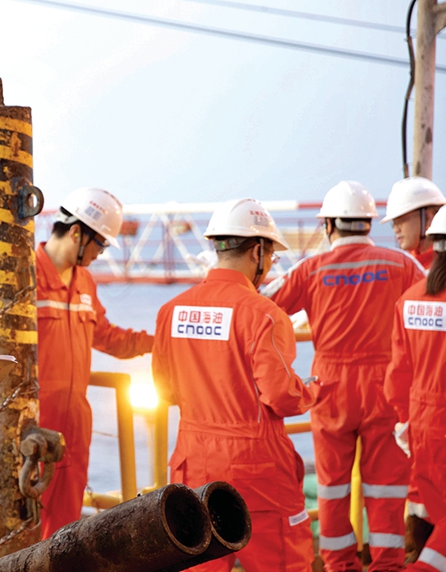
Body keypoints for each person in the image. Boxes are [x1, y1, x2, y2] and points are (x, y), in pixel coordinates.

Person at [264, 181, 422, 571]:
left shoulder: (312, 268)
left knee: (332, 487)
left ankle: (339, 564)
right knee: (386, 486)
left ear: (329, 225)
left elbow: (260, 305)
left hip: (330, 387)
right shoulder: (400, 264)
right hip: (386, 386)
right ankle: (387, 564)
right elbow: (433, 297)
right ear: (368, 223)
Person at [152, 198, 317, 571]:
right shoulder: (264, 314)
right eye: (271, 256)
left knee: (199, 561)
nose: (269, 265)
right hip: (256, 468)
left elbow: (165, 391)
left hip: (193, 463)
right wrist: (313, 389)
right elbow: (281, 396)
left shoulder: (171, 311)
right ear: (257, 251)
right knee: (283, 561)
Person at [35, 187, 153, 538]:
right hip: (33, 423)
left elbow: (106, 336)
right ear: (76, 232)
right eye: (100, 244)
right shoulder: (23, 276)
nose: (101, 253)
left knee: (66, 525)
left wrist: (159, 342)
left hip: (75, 422)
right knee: (26, 522)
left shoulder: (85, 281)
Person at [382, 176, 445, 558]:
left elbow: (398, 374)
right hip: (426, 418)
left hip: (418, 421)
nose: (395, 228)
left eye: (400, 219)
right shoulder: (409, 276)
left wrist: (406, 419)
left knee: (426, 508)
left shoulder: (410, 295)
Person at [382, 176, 446, 270]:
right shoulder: (409, 263)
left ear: (428, 218)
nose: (396, 230)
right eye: (393, 223)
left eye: (401, 221)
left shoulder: (440, 265)